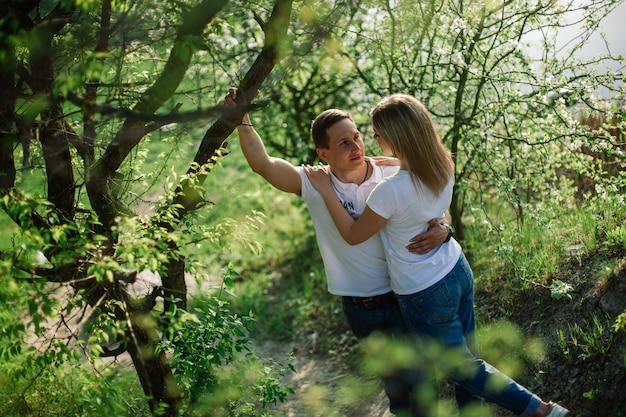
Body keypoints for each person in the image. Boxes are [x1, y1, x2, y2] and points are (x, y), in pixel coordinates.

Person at [303, 94, 570, 417]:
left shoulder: (388, 191)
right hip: (456, 269)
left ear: (395, 137)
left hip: (424, 290)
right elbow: (431, 208)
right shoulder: (443, 162)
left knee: (463, 368)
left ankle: (541, 410)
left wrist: (326, 190)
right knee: (471, 359)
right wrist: (444, 227)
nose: (372, 140)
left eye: (376, 134)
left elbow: (352, 234)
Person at [225, 88, 451, 417]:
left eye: (357, 137)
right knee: (397, 388)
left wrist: (444, 229)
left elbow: (436, 197)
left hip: (405, 295)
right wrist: (242, 118)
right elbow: (263, 165)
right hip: (361, 307)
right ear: (323, 153)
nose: (356, 146)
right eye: (343, 142)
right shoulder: (315, 183)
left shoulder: (392, 171)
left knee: (423, 384)